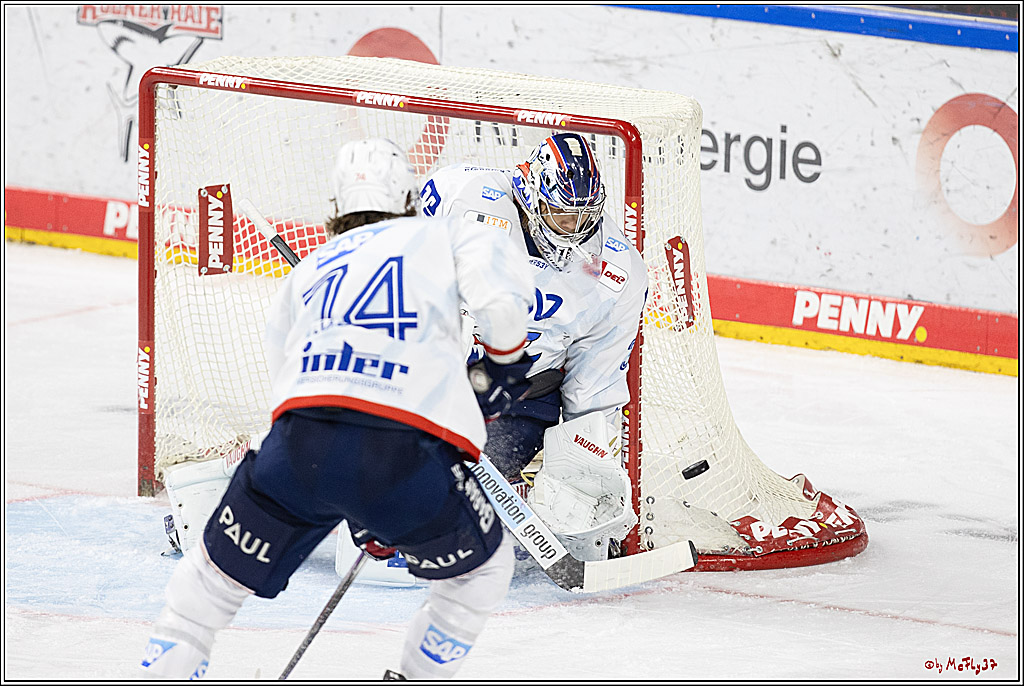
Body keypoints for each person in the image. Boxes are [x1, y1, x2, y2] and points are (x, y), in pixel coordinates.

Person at [139, 138, 536, 680]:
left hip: (297, 446)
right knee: (481, 575)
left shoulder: (313, 267)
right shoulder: (440, 233)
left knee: (207, 587)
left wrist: (339, 485)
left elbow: (287, 383)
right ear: (410, 199)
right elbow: (503, 306)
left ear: (336, 210)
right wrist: (503, 365)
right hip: (404, 455)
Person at [418, 132, 648, 562]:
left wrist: (587, 467)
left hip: (516, 399)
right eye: (561, 215)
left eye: (583, 218)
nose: (573, 230)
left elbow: (595, 383)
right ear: (531, 197)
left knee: (444, 501)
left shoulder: (618, 272)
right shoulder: (462, 195)